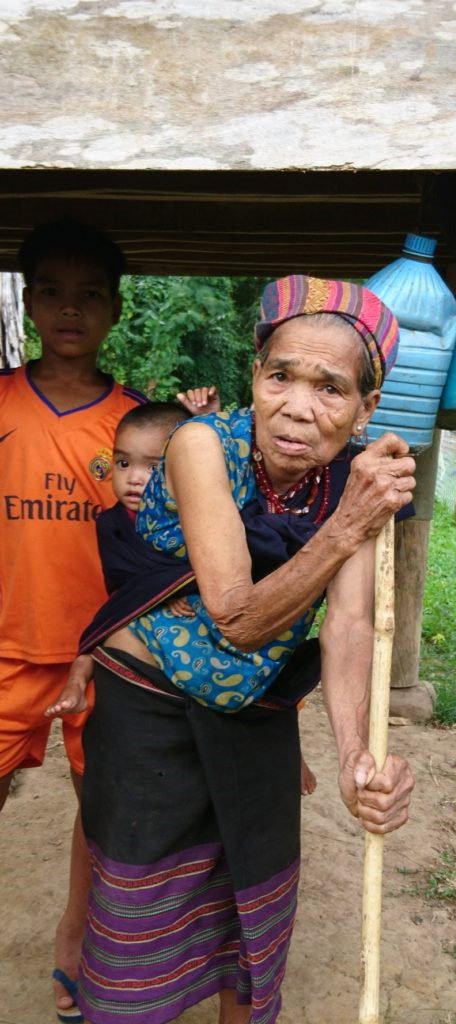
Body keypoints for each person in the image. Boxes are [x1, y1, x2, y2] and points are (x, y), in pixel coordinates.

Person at [75, 275, 417, 1024]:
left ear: (366, 409)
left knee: (254, 886)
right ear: (253, 377)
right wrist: (348, 524)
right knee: (141, 889)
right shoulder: (201, 445)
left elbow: (350, 622)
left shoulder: (355, 482)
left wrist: (355, 757)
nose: (297, 406)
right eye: (280, 377)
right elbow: (236, 616)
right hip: (149, 704)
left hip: (255, 705)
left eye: (330, 388)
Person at [0, 218, 153, 1021]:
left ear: (115, 309)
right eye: (53, 292)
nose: (70, 309)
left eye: (89, 295)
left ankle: (74, 941)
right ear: (28, 302)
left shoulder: (137, 428)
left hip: (107, 657)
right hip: (6, 648)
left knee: (103, 809)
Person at [47, 396, 318, 797]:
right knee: (99, 634)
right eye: (123, 464)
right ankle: (75, 685)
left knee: (273, 663)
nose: (135, 478)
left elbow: (225, 553)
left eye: (153, 466)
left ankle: (289, 751)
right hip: (142, 611)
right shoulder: (112, 523)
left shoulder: (203, 504)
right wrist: (162, 593)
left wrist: (186, 585)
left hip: (224, 616)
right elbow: (127, 581)